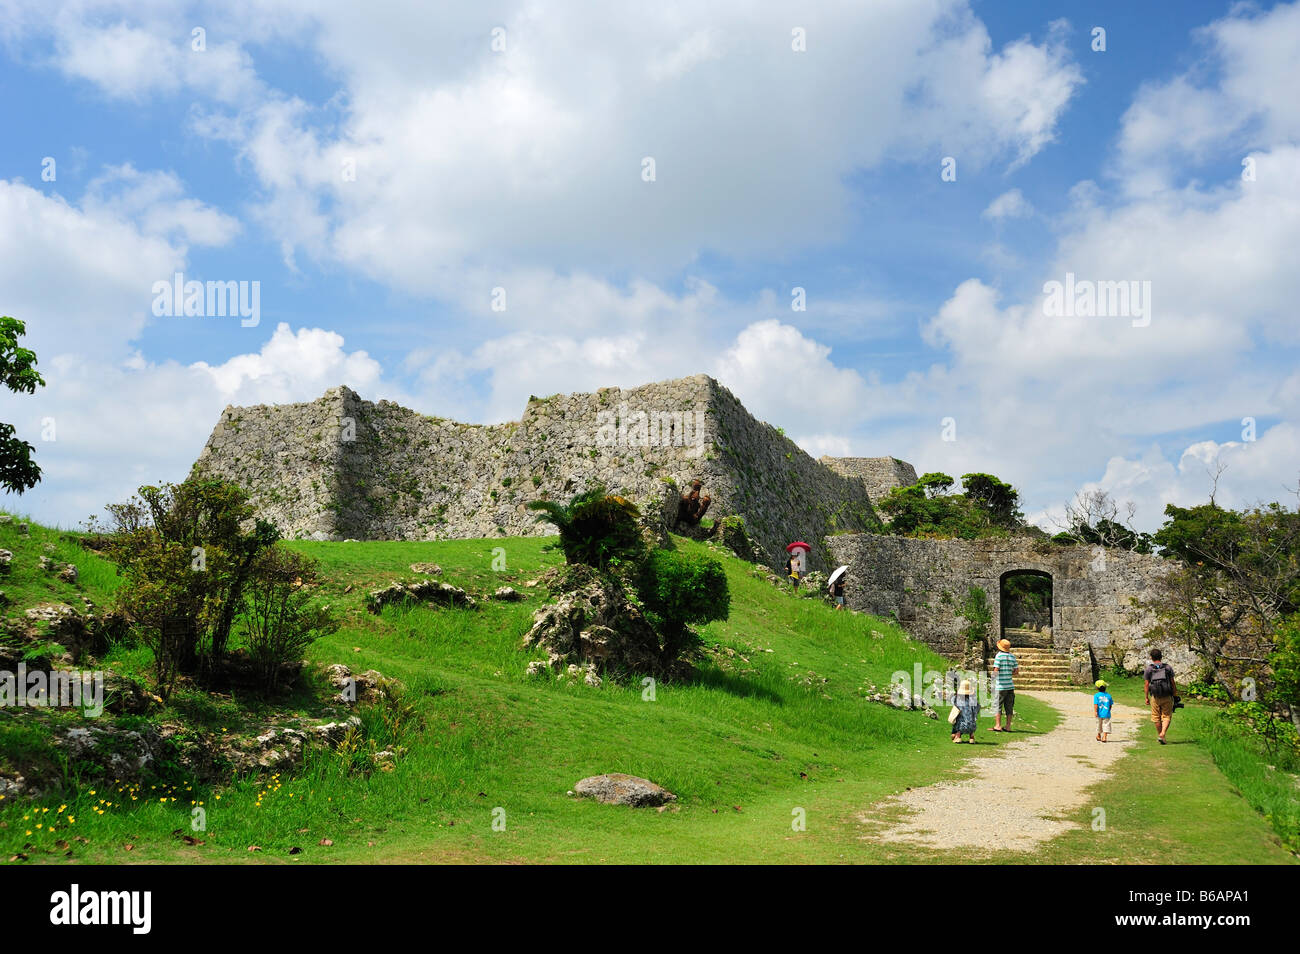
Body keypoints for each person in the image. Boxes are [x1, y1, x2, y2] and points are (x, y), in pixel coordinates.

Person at [1144, 648, 1177, 744]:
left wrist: (1146, 697)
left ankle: (1161, 735)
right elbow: (1172, 682)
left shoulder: (1149, 669)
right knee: (1166, 716)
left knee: (1156, 717)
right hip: (1167, 696)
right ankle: (1162, 734)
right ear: (1161, 657)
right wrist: (1175, 694)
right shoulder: (1167, 668)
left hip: (1155, 696)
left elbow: (1146, 684)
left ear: (1151, 657)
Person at [991, 638, 1018, 732]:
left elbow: (996, 670)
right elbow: (1016, 671)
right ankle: (1008, 726)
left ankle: (998, 725)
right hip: (1010, 685)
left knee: (997, 705)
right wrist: (1008, 673)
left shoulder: (999, 656)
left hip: (1000, 686)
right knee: (1009, 706)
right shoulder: (1012, 657)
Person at [950, 678, 980, 743]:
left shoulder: (958, 700)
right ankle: (972, 737)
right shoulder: (973, 701)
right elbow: (977, 708)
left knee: (959, 720)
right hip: (972, 726)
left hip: (962, 726)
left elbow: (952, 701)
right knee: (970, 719)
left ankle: (958, 736)